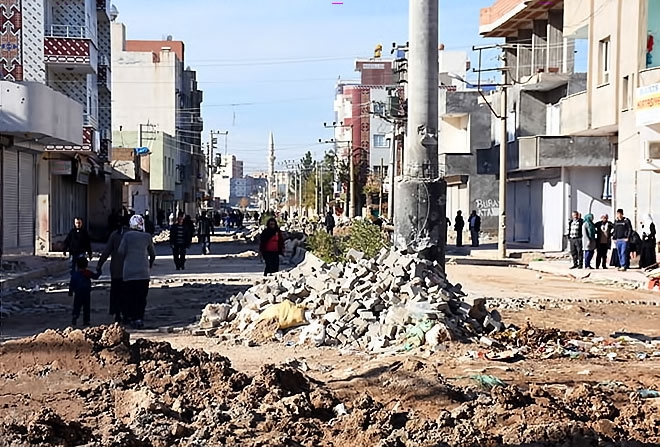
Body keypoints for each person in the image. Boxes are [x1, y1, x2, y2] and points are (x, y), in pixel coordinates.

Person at [117, 215, 156, 329]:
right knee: (141, 297)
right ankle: (139, 318)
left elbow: (120, 252)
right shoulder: (147, 236)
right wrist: (149, 264)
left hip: (129, 272)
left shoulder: (127, 236)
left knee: (129, 296)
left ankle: (130, 317)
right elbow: (153, 254)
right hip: (143, 272)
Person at [96, 216, 128, 323]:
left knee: (116, 292)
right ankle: (126, 313)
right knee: (126, 293)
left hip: (116, 270)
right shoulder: (131, 235)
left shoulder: (115, 235)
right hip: (129, 270)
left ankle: (117, 313)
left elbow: (106, 251)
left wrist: (99, 265)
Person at [69, 257, 101, 327]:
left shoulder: (75, 274)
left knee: (77, 306)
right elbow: (95, 276)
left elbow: (72, 283)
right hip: (86, 292)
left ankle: (75, 316)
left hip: (78, 293)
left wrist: (70, 292)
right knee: (86, 307)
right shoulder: (87, 272)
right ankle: (86, 321)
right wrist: (99, 271)